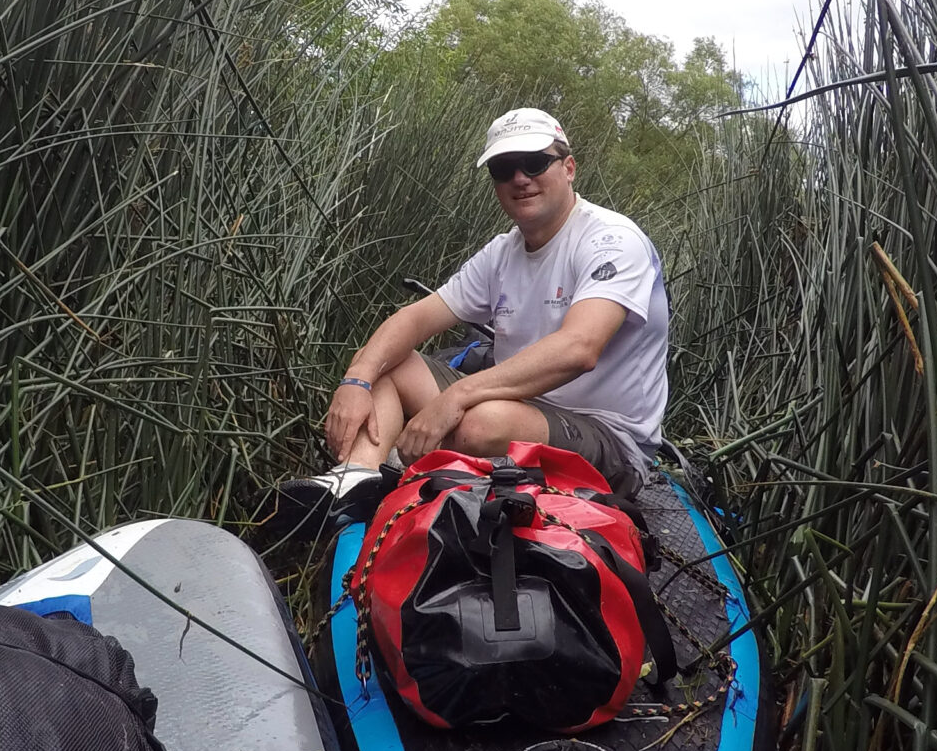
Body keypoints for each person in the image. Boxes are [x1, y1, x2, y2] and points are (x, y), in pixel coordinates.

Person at [277, 106, 670, 531]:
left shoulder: (611, 240)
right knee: (392, 363)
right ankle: (356, 480)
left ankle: (405, 462)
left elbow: (579, 348)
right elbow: (413, 319)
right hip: (519, 407)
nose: (520, 178)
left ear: (569, 167)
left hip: (610, 439)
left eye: (536, 162)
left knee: (481, 423)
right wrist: (356, 380)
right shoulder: (503, 251)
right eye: (504, 168)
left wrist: (456, 397)